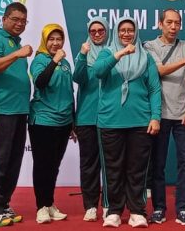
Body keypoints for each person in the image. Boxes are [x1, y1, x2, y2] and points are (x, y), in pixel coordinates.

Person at [93, 17, 162, 228]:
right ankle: (113, 211)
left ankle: (137, 211)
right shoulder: (106, 53)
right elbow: (98, 71)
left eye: (130, 30)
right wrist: (119, 54)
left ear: (136, 32)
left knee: (137, 169)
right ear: (116, 32)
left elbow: (154, 89)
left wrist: (155, 117)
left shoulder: (146, 57)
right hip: (110, 121)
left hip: (140, 121)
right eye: (122, 30)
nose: (126, 34)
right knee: (113, 169)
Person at [144, 9, 185, 226]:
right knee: (157, 164)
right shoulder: (150, 46)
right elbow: (160, 70)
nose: (173, 26)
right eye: (169, 22)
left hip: (183, 113)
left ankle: (183, 209)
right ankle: (158, 208)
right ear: (160, 24)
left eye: (177, 23)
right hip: (160, 114)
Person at [0, 2, 34, 227]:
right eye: (15, 19)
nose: (19, 24)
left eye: (23, 20)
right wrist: (17, 54)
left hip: (19, 111)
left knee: (13, 161)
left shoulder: (16, 43)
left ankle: (3, 205)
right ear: (4, 19)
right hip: (0, 110)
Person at [29, 24, 74, 224]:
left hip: (64, 122)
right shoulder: (39, 60)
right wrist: (54, 60)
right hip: (43, 121)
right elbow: (40, 82)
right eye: (51, 39)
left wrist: (73, 121)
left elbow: (68, 92)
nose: (56, 43)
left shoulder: (66, 64)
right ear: (45, 41)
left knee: (54, 166)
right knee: (42, 165)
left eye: (59, 39)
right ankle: (41, 207)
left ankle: (49, 203)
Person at [73, 17, 109, 221]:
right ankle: (90, 205)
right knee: (89, 164)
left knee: (111, 164)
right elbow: (78, 78)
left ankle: (108, 204)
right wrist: (83, 56)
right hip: (87, 117)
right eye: (93, 30)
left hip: (110, 117)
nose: (96, 34)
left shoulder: (113, 50)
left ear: (106, 31)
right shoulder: (83, 52)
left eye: (100, 30)